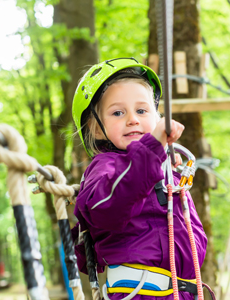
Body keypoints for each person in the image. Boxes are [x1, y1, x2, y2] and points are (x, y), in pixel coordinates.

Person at [71, 57, 207, 300]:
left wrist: (161, 161)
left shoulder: (166, 170)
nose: (132, 119)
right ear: (97, 129)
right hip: (139, 292)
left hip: (182, 291)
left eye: (142, 110)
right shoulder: (105, 168)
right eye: (118, 112)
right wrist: (152, 149)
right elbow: (109, 208)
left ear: (157, 117)